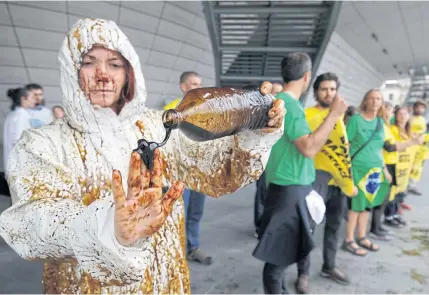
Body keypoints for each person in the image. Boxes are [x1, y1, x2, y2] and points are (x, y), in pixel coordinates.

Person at [0, 18, 285, 294]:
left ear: (129, 72)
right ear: (71, 70)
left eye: (114, 64)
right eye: (89, 62)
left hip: (166, 283)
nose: (103, 75)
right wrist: (108, 228)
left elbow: (220, 173)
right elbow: (31, 223)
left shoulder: (157, 125)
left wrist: (256, 131)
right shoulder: (43, 143)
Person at [252, 53, 348, 294]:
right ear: (307, 77)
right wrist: (334, 114)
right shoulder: (290, 106)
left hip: (285, 188)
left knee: (282, 256)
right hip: (289, 191)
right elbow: (309, 148)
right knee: (276, 262)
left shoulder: (279, 102)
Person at [303, 73, 357, 291]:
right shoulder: (307, 115)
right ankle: (302, 273)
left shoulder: (341, 115)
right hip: (317, 178)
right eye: (324, 89)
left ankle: (329, 265)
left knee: (334, 226)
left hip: (339, 180)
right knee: (309, 227)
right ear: (316, 92)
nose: (329, 93)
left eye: (333, 89)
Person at [164, 71, 213, 264]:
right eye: (193, 84)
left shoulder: (207, 110)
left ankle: (192, 247)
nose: (198, 88)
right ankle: (174, 251)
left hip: (200, 173)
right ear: (183, 87)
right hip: (179, 173)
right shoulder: (171, 110)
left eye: (199, 84)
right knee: (178, 213)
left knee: (195, 213)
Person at [342, 89, 391, 257]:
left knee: (367, 206)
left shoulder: (380, 122)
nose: (375, 101)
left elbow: (378, 149)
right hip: (358, 169)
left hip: (375, 171)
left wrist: (385, 170)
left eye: (378, 99)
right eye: (372, 98)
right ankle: (349, 240)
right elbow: (345, 146)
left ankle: (361, 236)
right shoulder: (356, 120)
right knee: (356, 206)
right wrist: (346, 171)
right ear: (365, 101)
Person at [369, 102, 422, 240]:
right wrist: (410, 143)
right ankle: (374, 228)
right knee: (381, 199)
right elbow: (389, 147)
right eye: (392, 111)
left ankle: (378, 226)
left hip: (392, 165)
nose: (393, 113)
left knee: (386, 198)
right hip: (386, 165)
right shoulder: (384, 126)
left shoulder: (386, 126)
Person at [254, 82, 284, 239]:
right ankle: (260, 227)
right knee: (261, 195)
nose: (276, 96)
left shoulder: (283, 113)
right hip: (264, 163)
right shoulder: (261, 112)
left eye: (280, 93)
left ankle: (269, 225)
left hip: (278, 164)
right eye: (275, 92)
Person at [384, 107, 421, 227]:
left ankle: (395, 214)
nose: (403, 116)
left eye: (405, 114)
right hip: (396, 165)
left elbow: (414, 149)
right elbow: (395, 145)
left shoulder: (409, 132)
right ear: (396, 116)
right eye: (400, 114)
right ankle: (388, 216)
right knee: (392, 192)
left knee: (401, 192)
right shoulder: (392, 130)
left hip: (406, 166)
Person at [3, 87, 36, 175]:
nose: (34, 100)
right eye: (31, 97)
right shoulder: (20, 116)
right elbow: (18, 140)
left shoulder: (13, 115)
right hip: (20, 165)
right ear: (23, 98)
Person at [407, 100, 427, 195]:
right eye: (418, 107)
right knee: (408, 165)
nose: (420, 109)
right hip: (409, 146)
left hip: (420, 148)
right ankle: (404, 186)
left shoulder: (423, 120)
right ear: (414, 108)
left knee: (417, 167)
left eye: (422, 108)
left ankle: (412, 185)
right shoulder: (409, 118)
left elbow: (423, 133)